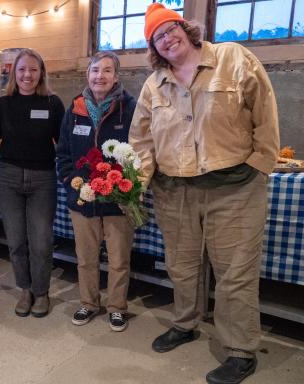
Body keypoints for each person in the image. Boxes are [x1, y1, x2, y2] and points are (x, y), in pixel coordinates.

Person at [129, 4, 279, 384]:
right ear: (154, 47)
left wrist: (261, 163)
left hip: (235, 188)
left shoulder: (232, 57)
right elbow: (141, 141)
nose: (167, 38)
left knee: (235, 273)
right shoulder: (154, 84)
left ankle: (241, 349)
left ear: (186, 28)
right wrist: (136, 185)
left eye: (170, 29)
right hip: (174, 190)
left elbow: (264, 110)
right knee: (181, 266)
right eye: (158, 36)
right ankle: (185, 323)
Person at [56, 51, 137, 331]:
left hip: (117, 199)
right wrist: (69, 179)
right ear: (87, 75)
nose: (99, 76)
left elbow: (140, 149)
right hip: (83, 197)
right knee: (86, 257)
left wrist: (128, 184)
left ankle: (116, 307)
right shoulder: (75, 108)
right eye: (94, 70)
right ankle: (89, 303)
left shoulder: (129, 107)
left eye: (106, 71)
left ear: (116, 76)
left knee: (118, 259)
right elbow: (63, 150)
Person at [0, 49, 65, 318]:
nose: (27, 75)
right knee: (16, 241)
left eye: (34, 69)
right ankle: (25, 289)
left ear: (41, 73)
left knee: (41, 241)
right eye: (22, 69)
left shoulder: (53, 104)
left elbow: (64, 142)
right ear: (14, 72)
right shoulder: (3, 104)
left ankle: (42, 291)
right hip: (8, 178)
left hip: (43, 179)